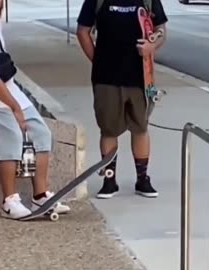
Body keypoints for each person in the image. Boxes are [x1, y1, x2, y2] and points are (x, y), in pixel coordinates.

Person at [0, 0, 70, 220]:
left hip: (9, 90)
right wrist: (15, 108)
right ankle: (9, 201)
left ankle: (40, 195)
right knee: (11, 139)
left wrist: (17, 103)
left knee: (42, 134)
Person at [76, 0, 168, 199]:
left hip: (140, 77)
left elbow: (161, 28)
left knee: (140, 127)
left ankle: (142, 179)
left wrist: (152, 45)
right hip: (106, 80)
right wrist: (98, 60)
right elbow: (83, 31)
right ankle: (109, 180)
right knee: (108, 129)